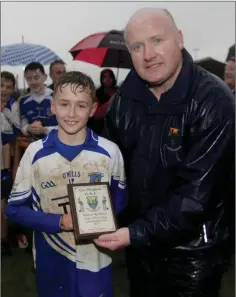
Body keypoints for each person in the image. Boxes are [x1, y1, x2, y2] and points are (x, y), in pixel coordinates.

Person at [94, 8, 235, 297]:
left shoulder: (214, 101)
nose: (148, 54)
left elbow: (195, 198)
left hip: (194, 252)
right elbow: (108, 167)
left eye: (157, 40)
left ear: (179, 40)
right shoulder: (122, 103)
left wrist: (133, 232)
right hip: (141, 248)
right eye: (137, 46)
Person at [6, 71, 127, 297]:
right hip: (52, 259)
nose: (71, 113)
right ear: (53, 107)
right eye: (64, 104)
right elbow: (13, 210)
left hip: (95, 260)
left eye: (81, 105)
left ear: (92, 109)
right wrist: (61, 221)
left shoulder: (110, 152)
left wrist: (98, 220)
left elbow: (120, 200)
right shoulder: (35, 153)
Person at [88, 69, 118, 134]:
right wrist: (111, 101)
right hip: (100, 128)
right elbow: (96, 115)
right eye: (104, 77)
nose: (108, 79)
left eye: (110, 76)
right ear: (101, 79)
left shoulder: (119, 92)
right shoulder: (97, 94)